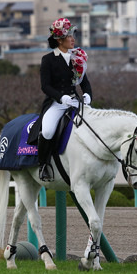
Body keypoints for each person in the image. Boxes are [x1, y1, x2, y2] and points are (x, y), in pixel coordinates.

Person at [36, 18, 92, 182]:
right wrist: (62, 98)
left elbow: (85, 83)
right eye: (69, 36)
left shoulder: (78, 58)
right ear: (60, 40)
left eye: (73, 35)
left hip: (76, 102)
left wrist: (88, 94)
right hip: (56, 104)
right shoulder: (48, 59)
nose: (73, 39)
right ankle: (44, 165)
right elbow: (45, 86)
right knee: (47, 131)